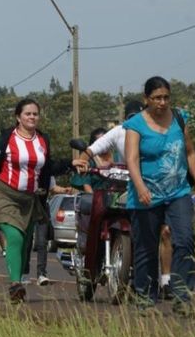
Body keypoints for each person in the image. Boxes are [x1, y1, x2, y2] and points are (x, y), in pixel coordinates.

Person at [0, 99, 70, 303]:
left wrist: (71, 163)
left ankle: (21, 275)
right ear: (18, 117)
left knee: (25, 245)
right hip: (4, 195)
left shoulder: (42, 140)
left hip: (30, 199)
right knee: (15, 237)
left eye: (35, 114)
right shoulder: (6, 139)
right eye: (27, 114)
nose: (32, 117)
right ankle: (15, 285)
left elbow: (48, 167)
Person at [72, 101, 175, 299]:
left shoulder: (155, 131)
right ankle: (89, 270)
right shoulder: (119, 132)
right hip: (117, 189)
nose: (135, 122)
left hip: (148, 189)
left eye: (139, 116)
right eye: (131, 118)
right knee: (96, 218)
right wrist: (84, 159)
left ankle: (159, 280)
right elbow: (94, 148)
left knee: (156, 231)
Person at [124, 76, 195, 316]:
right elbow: (131, 159)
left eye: (166, 97)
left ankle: (182, 298)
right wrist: (140, 187)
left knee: (185, 240)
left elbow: (190, 153)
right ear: (146, 99)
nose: (162, 102)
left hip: (178, 192)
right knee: (146, 249)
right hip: (146, 195)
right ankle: (145, 298)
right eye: (157, 98)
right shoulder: (136, 124)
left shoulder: (179, 118)